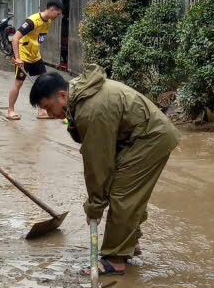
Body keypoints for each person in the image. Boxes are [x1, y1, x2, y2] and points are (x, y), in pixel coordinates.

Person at [29, 67, 179, 274]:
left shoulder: (90, 109)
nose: (49, 114)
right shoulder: (80, 94)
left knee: (123, 195)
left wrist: (95, 206)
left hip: (150, 138)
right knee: (125, 191)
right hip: (135, 137)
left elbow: (98, 163)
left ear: (62, 95)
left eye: (48, 107)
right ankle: (130, 243)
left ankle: (115, 260)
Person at [7, 1, 64, 120]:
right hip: (23, 55)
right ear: (52, 9)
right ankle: (10, 110)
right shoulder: (32, 21)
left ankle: (42, 111)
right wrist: (17, 58)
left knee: (44, 81)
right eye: (58, 14)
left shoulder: (48, 21)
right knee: (19, 83)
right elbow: (16, 38)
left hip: (35, 55)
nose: (57, 17)